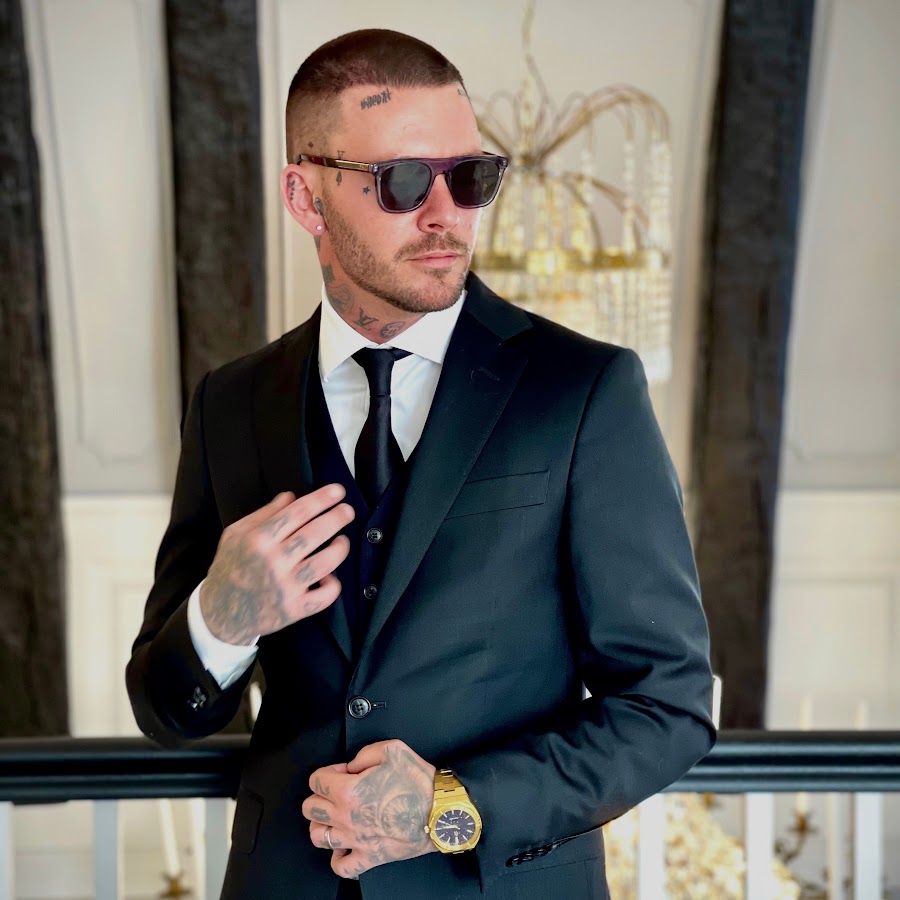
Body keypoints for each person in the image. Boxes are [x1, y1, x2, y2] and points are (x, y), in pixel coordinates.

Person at [126, 28, 715, 900]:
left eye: (470, 177)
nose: (447, 214)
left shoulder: (584, 390)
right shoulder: (231, 405)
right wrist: (221, 618)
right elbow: (163, 709)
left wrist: (453, 806)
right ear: (305, 196)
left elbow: (668, 706)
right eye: (404, 181)